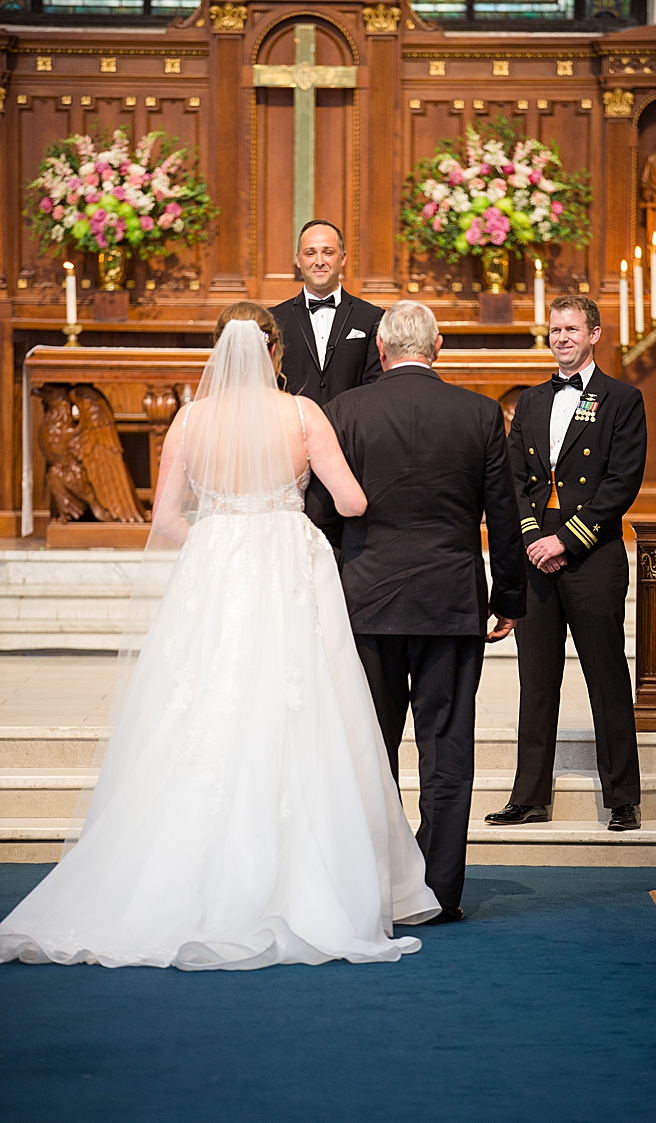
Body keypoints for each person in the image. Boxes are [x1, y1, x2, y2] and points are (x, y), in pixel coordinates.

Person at [0, 309, 440, 969]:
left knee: (201, 709)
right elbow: (350, 501)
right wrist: (283, 517)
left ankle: (181, 876)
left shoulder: (191, 419)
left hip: (217, 570)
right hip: (290, 568)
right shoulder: (301, 414)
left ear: (218, 351)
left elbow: (166, 517)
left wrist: (220, 534)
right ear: (273, 350)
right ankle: (309, 877)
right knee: (306, 711)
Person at [311, 301, 528, 924]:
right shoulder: (480, 413)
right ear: (437, 347)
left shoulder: (345, 411)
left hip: (367, 601)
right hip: (450, 601)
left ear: (381, 350)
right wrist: (508, 599)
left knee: (370, 750)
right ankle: (438, 892)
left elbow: (323, 515)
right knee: (446, 750)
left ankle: (374, 887)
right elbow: (504, 518)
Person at [487, 296, 648, 832]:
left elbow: (621, 483)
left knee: (606, 677)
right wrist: (533, 536)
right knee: (536, 680)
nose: (561, 338)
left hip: (592, 553)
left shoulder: (623, 399)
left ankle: (622, 798)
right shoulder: (531, 401)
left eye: (572, 329)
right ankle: (529, 797)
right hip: (536, 552)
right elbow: (512, 478)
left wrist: (566, 541)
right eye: (555, 330)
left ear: (594, 334)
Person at [270, 219, 384, 406]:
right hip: (292, 430)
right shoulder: (274, 319)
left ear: (343, 257)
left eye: (328, 252)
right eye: (310, 253)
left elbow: (375, 385)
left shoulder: (371, 318)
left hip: (350, 432)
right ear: (298, 260)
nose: (319, 261)